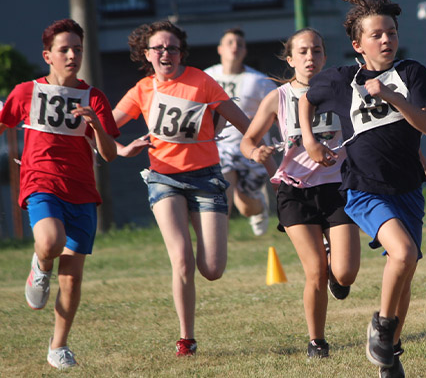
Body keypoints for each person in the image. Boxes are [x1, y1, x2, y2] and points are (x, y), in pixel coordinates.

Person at [300, 0, 426, 377]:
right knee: (405, 254)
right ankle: (381, 327)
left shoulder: (412, 74)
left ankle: (389, 353)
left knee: (404, 271)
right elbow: (307, 99)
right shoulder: (343, 80)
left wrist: (391, 96)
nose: (386, 40)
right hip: (364, 189)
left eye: (391, 32)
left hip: (408, 188)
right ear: (358, 44)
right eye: (376, 35)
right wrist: (311, 141)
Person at [113, 20, 250, 356]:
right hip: (164, 178)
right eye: (158, 48)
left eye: (172, 48)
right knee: (182, 261)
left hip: (206, 178)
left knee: (212, 269)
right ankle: (186, 339)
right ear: (147, 54)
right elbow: (106, 128)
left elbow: (245, 122)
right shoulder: (142, 89)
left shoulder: (202, 81)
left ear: (181, 53)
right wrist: (121, 149)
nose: (165, 53)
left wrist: (262, 146)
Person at [0, 19, 119, 369]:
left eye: (77, 49)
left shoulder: (94, 97)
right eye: (64, 49)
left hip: (82, 190)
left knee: (72, 279)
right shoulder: (26, 92)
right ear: (47, 56)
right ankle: (40, 265)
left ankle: (58, 346)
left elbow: (109, 155)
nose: (72, 55)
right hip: (41, 181)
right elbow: (4, 120)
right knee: (51, 242)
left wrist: (95, 125)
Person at [240, 27, 360, 358]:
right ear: (290, 59)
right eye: (304, 51)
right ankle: (316, 342)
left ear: (324, 56)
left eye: (317, 51)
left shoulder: (342, 89)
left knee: (345, 272)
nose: (311, 57)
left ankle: (336, 266)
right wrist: (256, 154)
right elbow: (247, 140)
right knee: (316, 271)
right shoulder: (277, 98)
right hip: (296, 191)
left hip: (338, 187)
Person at [205, 28, 277, 236]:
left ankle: (259, 206)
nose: (234, 47)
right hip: (219, 147)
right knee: (222, 195)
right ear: (220, 49)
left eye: (239, 43)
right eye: (229, 42)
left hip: (249, 148)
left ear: (245, 50)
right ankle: (219, 245)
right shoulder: (208, 76)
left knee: (245, 206)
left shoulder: (259, 81)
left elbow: (277, 109)